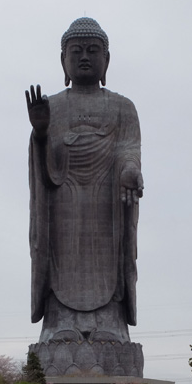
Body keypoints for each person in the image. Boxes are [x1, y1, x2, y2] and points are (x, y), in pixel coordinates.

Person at [26, 17, 143, 345]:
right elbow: (45, 168)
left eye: (93, 50)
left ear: (107, 59)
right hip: (63, 201)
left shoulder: (123, 107)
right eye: (76, 51)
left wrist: (130, 171)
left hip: (107, 203)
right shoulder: (54, 106)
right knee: (60, 256)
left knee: (109, 255)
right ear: (63, 60)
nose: (85, 57)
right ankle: (58, 323)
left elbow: (129, 150)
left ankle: (111, 323)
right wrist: (40, 132)